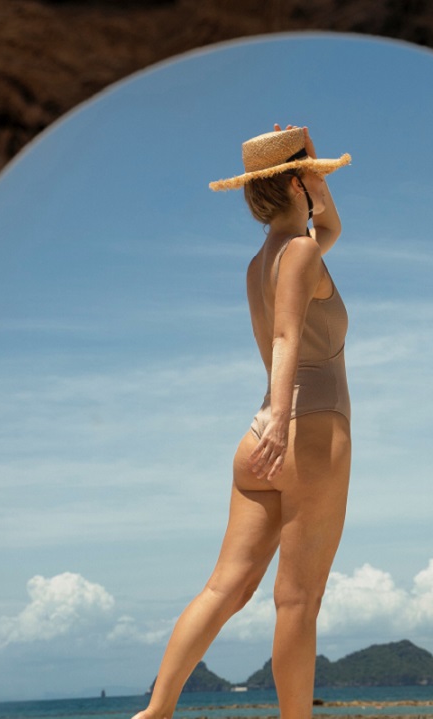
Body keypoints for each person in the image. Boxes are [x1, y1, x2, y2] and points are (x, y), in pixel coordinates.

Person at [132, 125, 352, 719]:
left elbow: (328, 227)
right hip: (307, 430)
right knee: (298, 601)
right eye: (314, 172)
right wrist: (282, 421)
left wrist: (313, 190)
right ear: (293, 182)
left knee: (223, 589)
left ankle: (155, 713)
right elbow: (286, 339)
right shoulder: (301, 254)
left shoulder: (265, 259)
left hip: (257, 436)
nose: (322, 179)